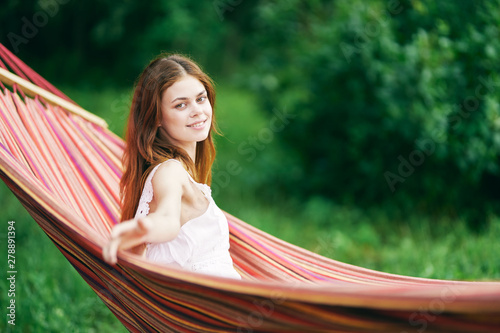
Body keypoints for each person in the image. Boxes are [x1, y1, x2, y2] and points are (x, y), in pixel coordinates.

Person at [102, 54, 241, 279]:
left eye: (201, 98)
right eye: (181, 105)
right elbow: (167, 219)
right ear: (156, 117)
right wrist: (141, 228)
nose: (197, 110)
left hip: (225, 299)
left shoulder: (183, 173)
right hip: (204, 303)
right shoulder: (170, 171)